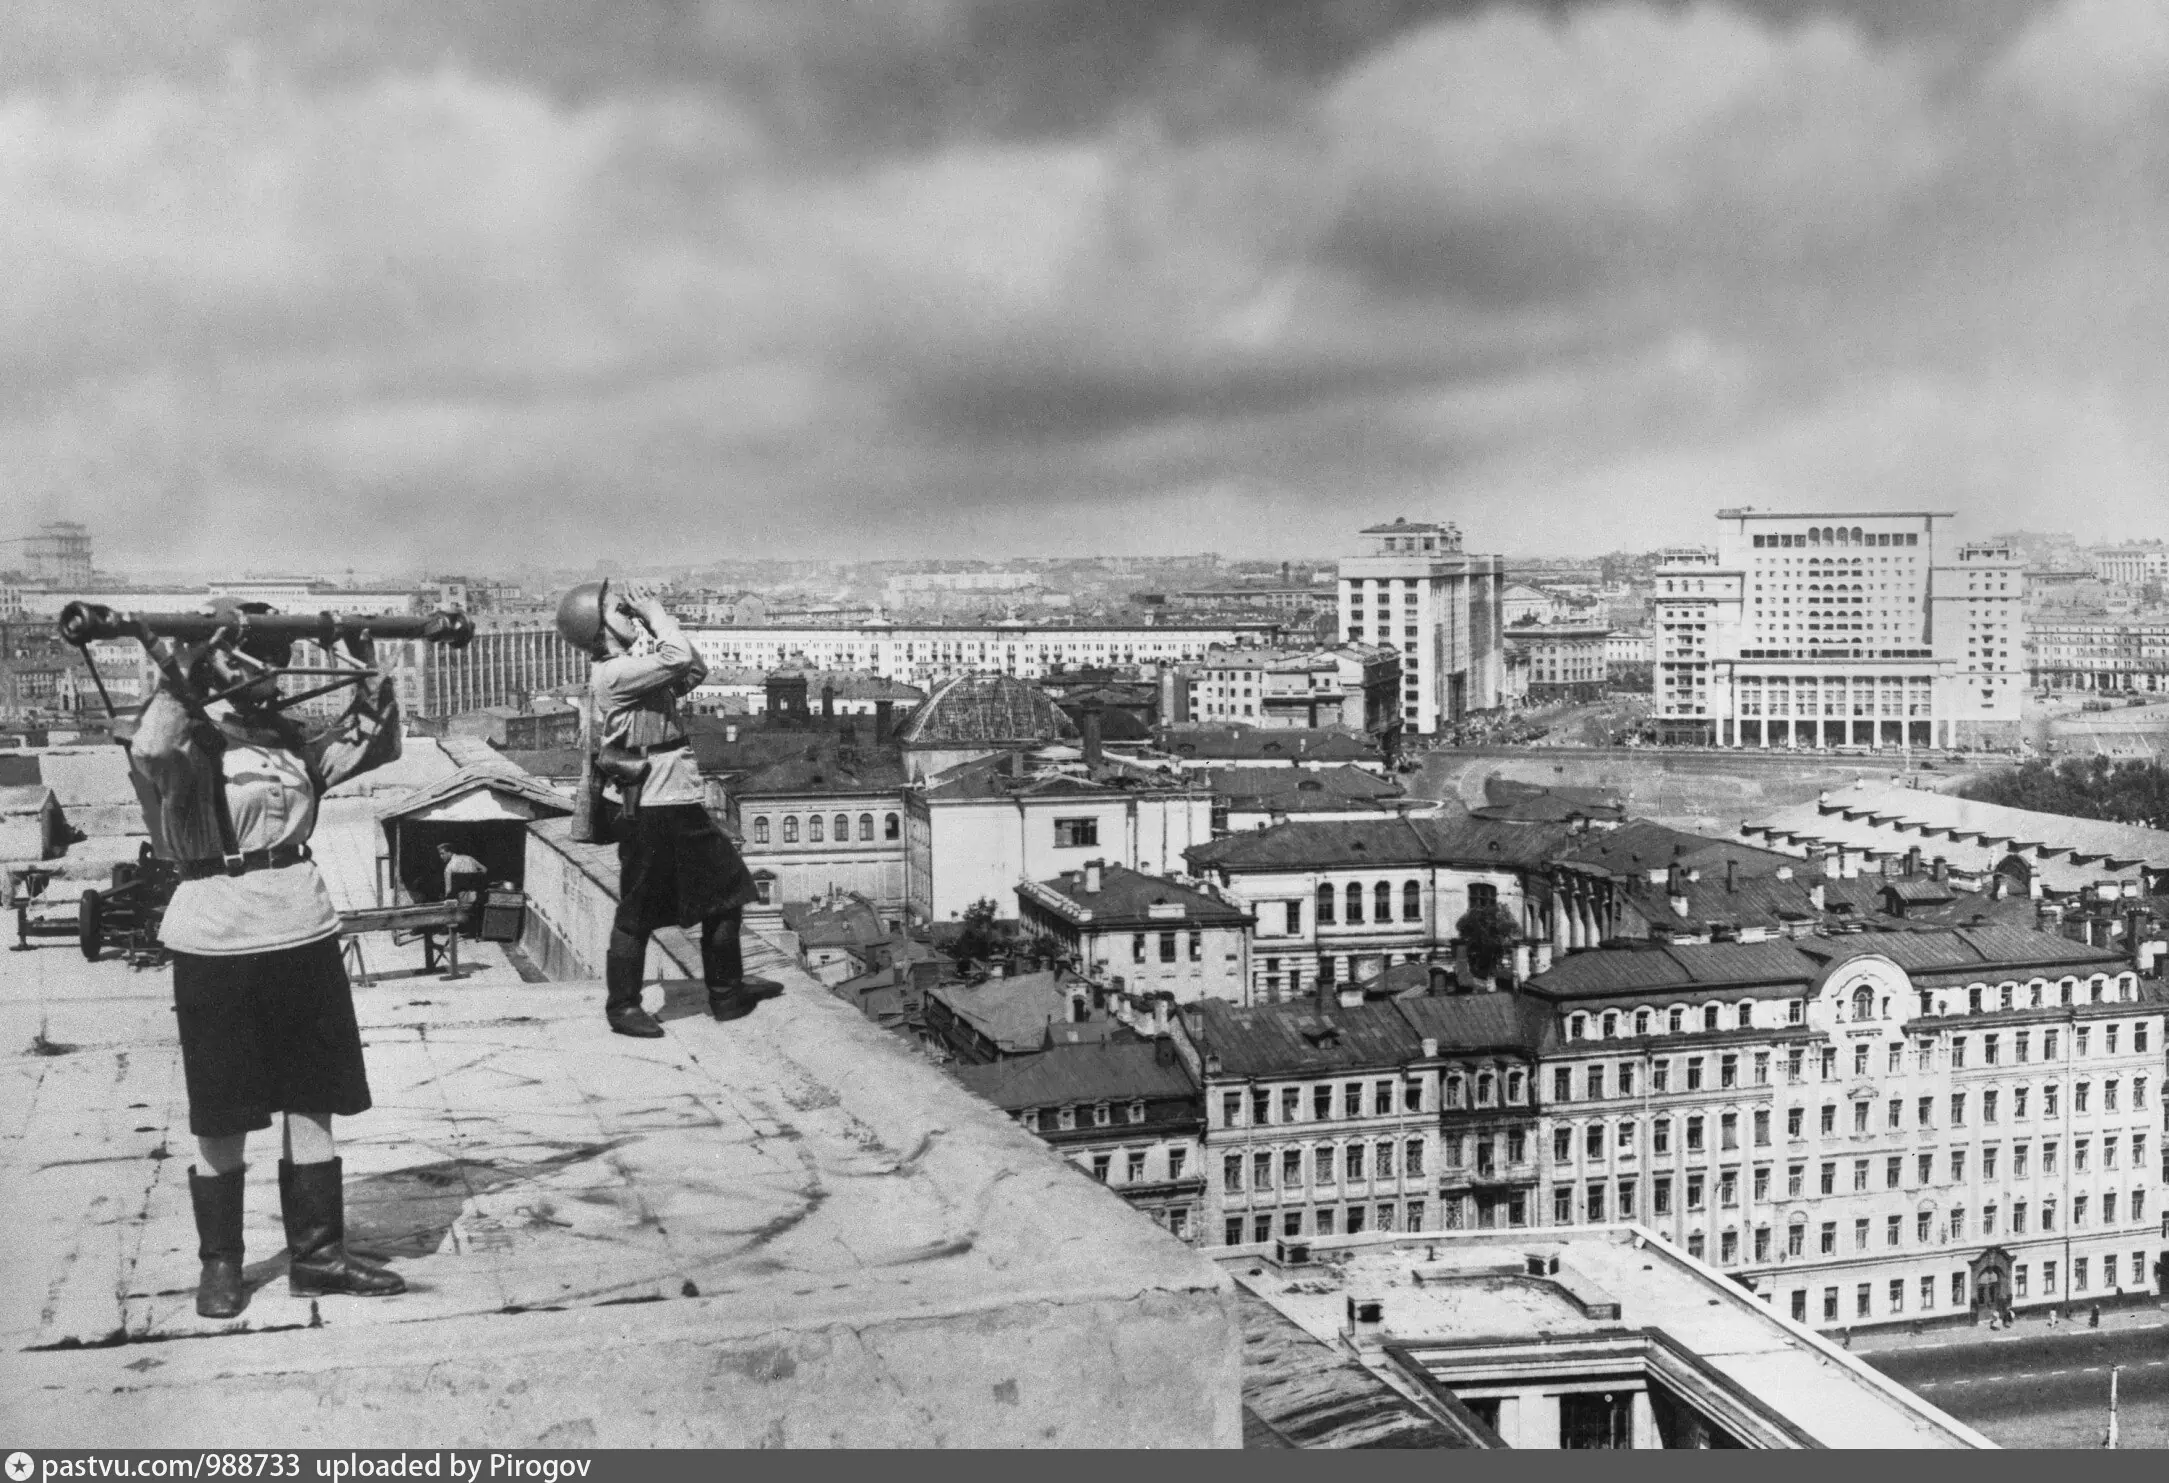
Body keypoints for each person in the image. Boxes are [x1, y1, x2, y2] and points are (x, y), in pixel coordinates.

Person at [127, 603, 407, 1320]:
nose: (265, 675)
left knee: (314, 1093)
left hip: (303, 928)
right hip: (218, 937)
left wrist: (365, 661)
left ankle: (319, 1255)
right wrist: (183, 670)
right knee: (222, 1108)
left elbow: (375, 745)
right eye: (247, 661)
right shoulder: (191, 740)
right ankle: (221, 1264)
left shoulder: (290, 741)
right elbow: (150, 752)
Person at [557, 579, 780, 1037]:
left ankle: (727, 993)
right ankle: (623, 1007)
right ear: (598, 630)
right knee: (639, 909)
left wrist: (652, 625)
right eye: (618, 613)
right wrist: (657, 615)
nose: (629, 616)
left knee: (727, 893)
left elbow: (692, 670)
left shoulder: (633, 668)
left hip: (675, 800)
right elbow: (676, 659)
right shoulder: (613, 674)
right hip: (651, 806)